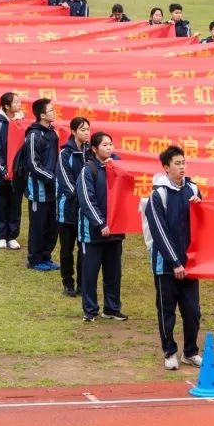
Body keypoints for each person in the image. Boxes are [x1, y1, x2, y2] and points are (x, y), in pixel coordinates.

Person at [145, 145, 203, 370]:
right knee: (166, 311)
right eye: (177, 164)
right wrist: (174, 262)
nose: (182, 167)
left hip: (190, 265)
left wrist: (200, 205)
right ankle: (170, 351)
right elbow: (159, 231)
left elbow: (203, 220)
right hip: (166, 266)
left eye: (183, 163)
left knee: (192, 311)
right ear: (166, 168)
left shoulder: (192, 189)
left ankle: (190, 352)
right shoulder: (158, 194)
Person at [76, 131, 127, 322]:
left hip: (115, 231)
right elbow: (86, 199)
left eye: (111, 144)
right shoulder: (88, 170)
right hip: (93, 232)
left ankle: (112, 308)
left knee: (114, 272)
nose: (109, 148)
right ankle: (90, 310)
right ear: (95, 149)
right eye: (105, 145)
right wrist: (100, 223)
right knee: (90, 273)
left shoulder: (118, 168)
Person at [23, 98, 60, 271]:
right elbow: (33, 164)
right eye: (51, 110)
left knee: (53, 226)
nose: (54, 112)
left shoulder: (52, 133)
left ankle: (46, 256)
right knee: (38, 225)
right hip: (39, 190)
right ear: (42, 115)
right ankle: (34, 259)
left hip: (54, 190)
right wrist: (52, 178)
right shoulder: (33, 136)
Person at [57, 117, 90, 297]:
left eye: (88, 129)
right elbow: (66, 183)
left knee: (84, 247)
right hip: (68, 209)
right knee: (67, 248)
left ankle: (82, 283)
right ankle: (67, 281)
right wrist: (83, 197)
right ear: (73, 131)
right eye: (82, 129)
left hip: (85, 211)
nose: (86, 133)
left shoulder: (91, 151)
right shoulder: (65, 154)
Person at [0, 92, 23, 250]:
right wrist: (3, 170)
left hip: (17, 173)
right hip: (0, 173)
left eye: (19, 101)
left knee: (15, 204)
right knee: (1, 204)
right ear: (6, 106)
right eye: (15, 102)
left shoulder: (20, 121)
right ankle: (1, 236)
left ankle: (12, 235)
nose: (19, 105)